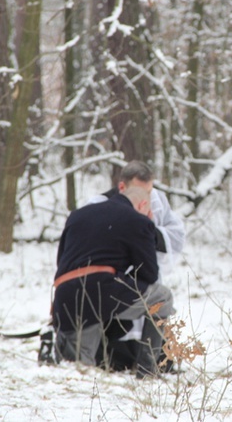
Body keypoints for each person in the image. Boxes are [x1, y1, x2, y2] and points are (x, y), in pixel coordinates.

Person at [52, 186, 174, 378]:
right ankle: (148, 370)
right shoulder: (138, 220)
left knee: (78, 370)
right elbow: (149, 274)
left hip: (65, 295)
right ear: (142, 204)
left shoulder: (77, 215)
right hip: (102, 293)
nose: (149, 216)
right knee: (162, 297)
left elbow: (62, 262)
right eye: (149, 211)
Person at [83, 161, 186, 372]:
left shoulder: (158, 201)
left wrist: (148, 234)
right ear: (122, 187)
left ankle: (152, 360)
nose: (147, 198)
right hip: (109, 285)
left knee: (159, 299)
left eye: (149, 191)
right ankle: (113, 355)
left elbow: (177, 236)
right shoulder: (99, 204)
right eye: (141, 192)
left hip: (147, 281)